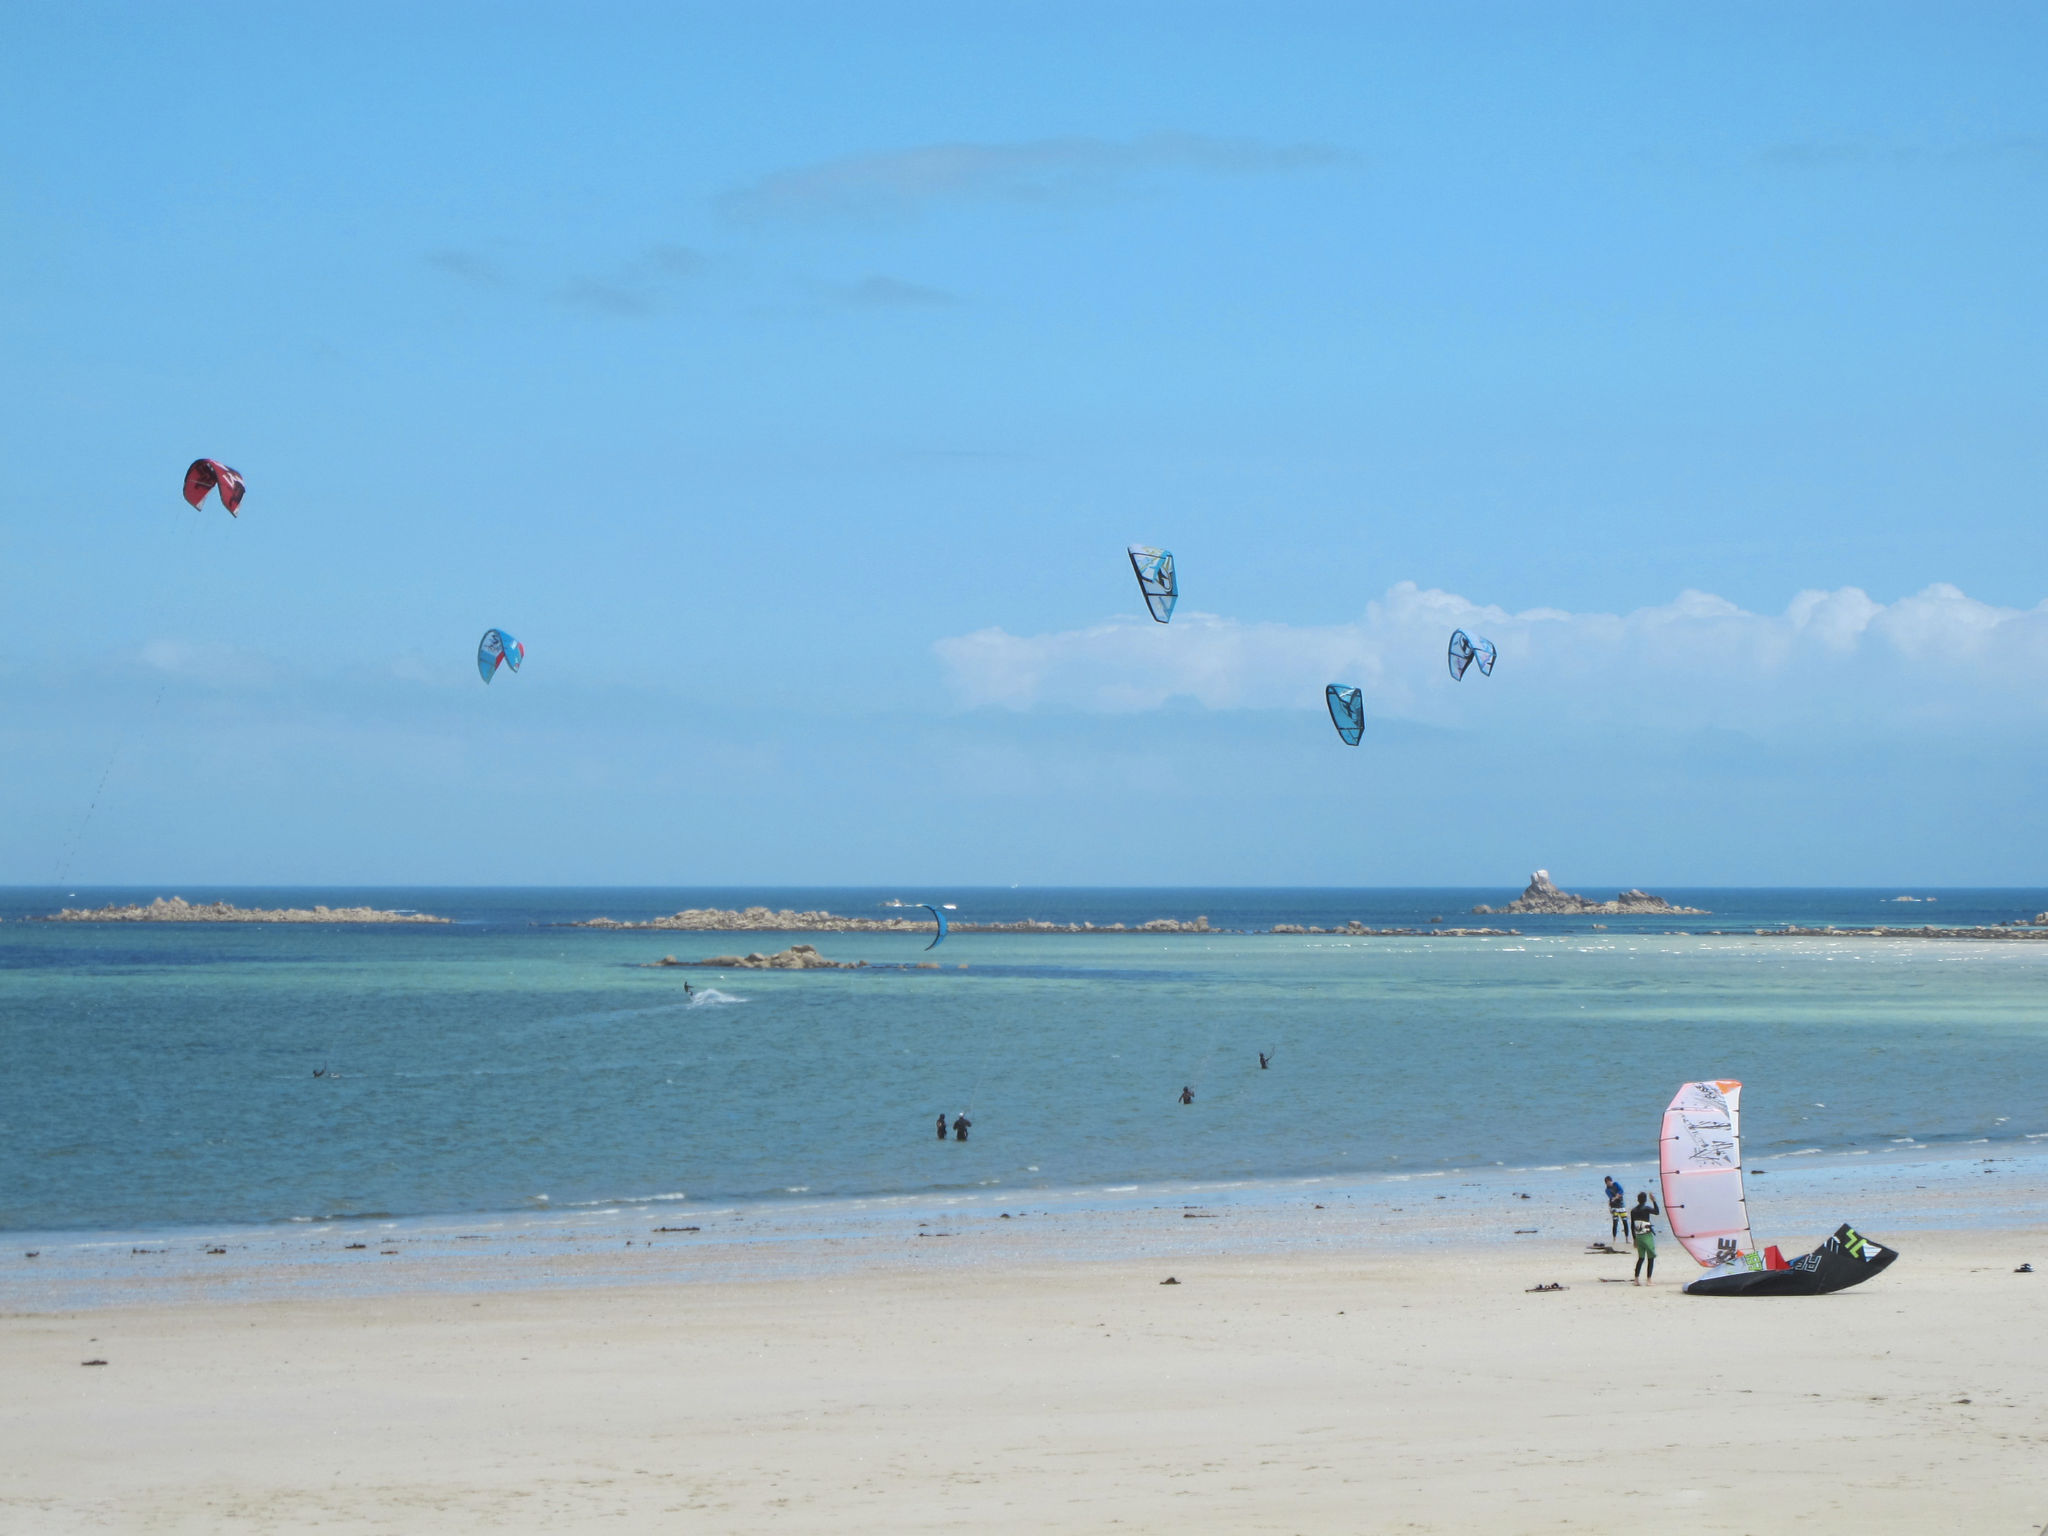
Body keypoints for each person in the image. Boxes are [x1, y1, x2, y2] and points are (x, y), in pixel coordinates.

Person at [1630, 1191, 1661, 1284]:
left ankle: (1636, 1279)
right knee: (1650, 1257)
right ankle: (1649, 1280)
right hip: (1647, 1235)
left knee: (1641, 1258)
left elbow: (1632, 1225)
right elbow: (1657, 1212)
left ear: (1638, 1200)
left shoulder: (1633, 1211)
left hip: (1638, 1236)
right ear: (1645, 1200)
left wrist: (1634, 1239)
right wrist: (1654, 1201)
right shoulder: (1646, 1208)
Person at [1604, 1175, 1626, 1241]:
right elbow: (1611, 1198)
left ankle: (1627, 1238)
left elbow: (1621, 1190)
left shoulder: (1616, 1184)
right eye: (1607, 1182)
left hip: (1621, 1205)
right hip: (1614, 1206)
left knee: (1625, 1221)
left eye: (1610, 1182)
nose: (1609, 1183)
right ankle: (1614, 1238)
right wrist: (1617, 1196)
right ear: (1606, 1183)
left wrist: (1617, 1195)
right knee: (1615, 1222)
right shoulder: (1607, 1190)